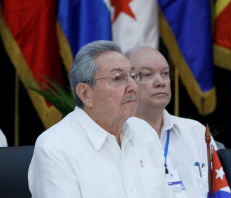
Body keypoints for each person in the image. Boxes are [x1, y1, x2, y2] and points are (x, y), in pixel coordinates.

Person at [28, 40, 173, 198]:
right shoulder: (55, 148)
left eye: (132, 76)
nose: (133, 86)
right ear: (85, 93)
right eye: (118, 78)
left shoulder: (144, 132)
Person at [126, 46, 215, 198]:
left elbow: (220, 189)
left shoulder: (197, 132)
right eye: (147, 74)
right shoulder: (117, 137)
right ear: (126, 82)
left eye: (165, 73)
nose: (161, 82)